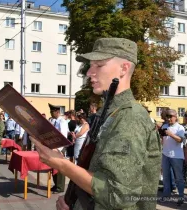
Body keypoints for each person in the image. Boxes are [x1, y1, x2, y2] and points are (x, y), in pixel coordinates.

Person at [30, 38, 161, 210]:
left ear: (124, 68)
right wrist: (75, 201)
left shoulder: (129, 117)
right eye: (91, 65)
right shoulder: (107, 113)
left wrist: (62, 164)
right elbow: (95, 172)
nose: (89, 72)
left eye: (99, 65)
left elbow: (118, 195)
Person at [48, 103, 69, 193]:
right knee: (54, 166)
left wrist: (59, 150)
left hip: (59, 148)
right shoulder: (53, 121)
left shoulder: (62, 122)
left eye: (52, 112)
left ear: (57, 112)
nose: (50, 113)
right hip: (54, 147)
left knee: (60, 168)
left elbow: (63, 136)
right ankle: (56, 184)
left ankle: (60, 187)